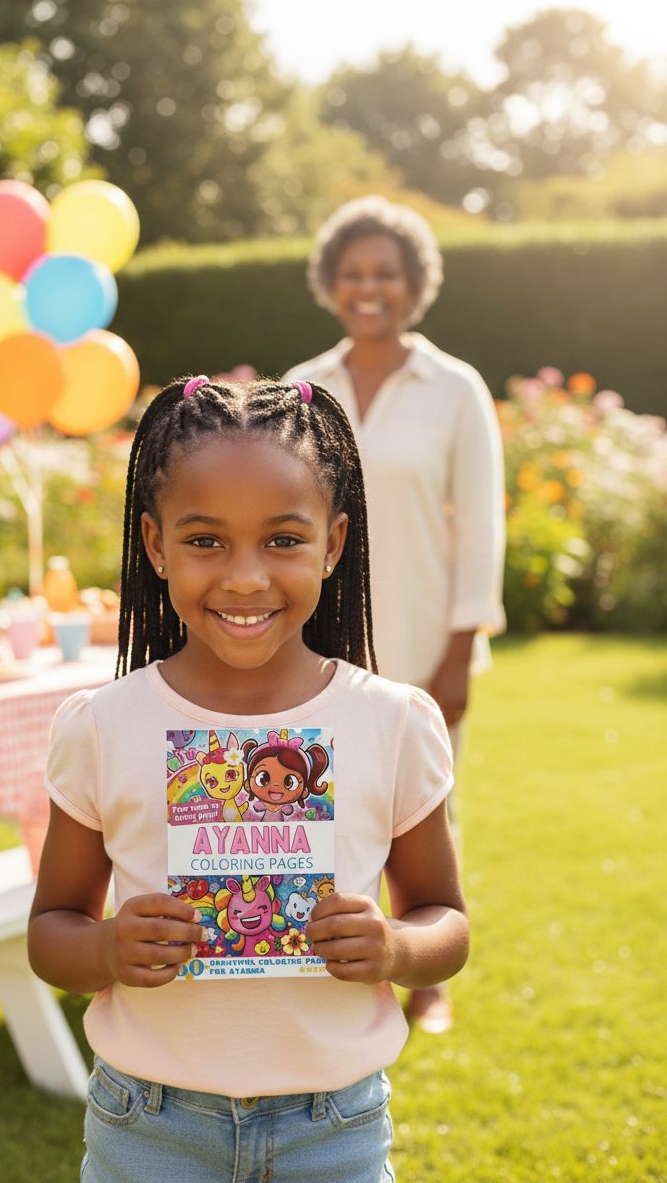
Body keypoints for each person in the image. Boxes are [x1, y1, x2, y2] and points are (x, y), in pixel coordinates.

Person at [28, 375, 469, 1183]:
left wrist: (396, 946)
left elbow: (447, 923)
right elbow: (52, 930)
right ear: (155, 544)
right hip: (149, 1123)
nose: (244, 578)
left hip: (333, 1127)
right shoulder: (102, 725)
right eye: (205, 541)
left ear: (333, 544)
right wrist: (105, 947)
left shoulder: (393, 721)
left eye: (283, 540)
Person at [284, 197, 505, 1032]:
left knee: (426, 810)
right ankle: (318, 954)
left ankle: (426, 975)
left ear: (415, 284)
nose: (368, 288)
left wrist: (460, 650)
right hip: (321, 642)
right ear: (329, 284)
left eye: (385, 273)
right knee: (324, 807)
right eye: (352, 273)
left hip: (422, 640)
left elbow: (480, 526)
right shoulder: (304, 386)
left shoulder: (454, 389)